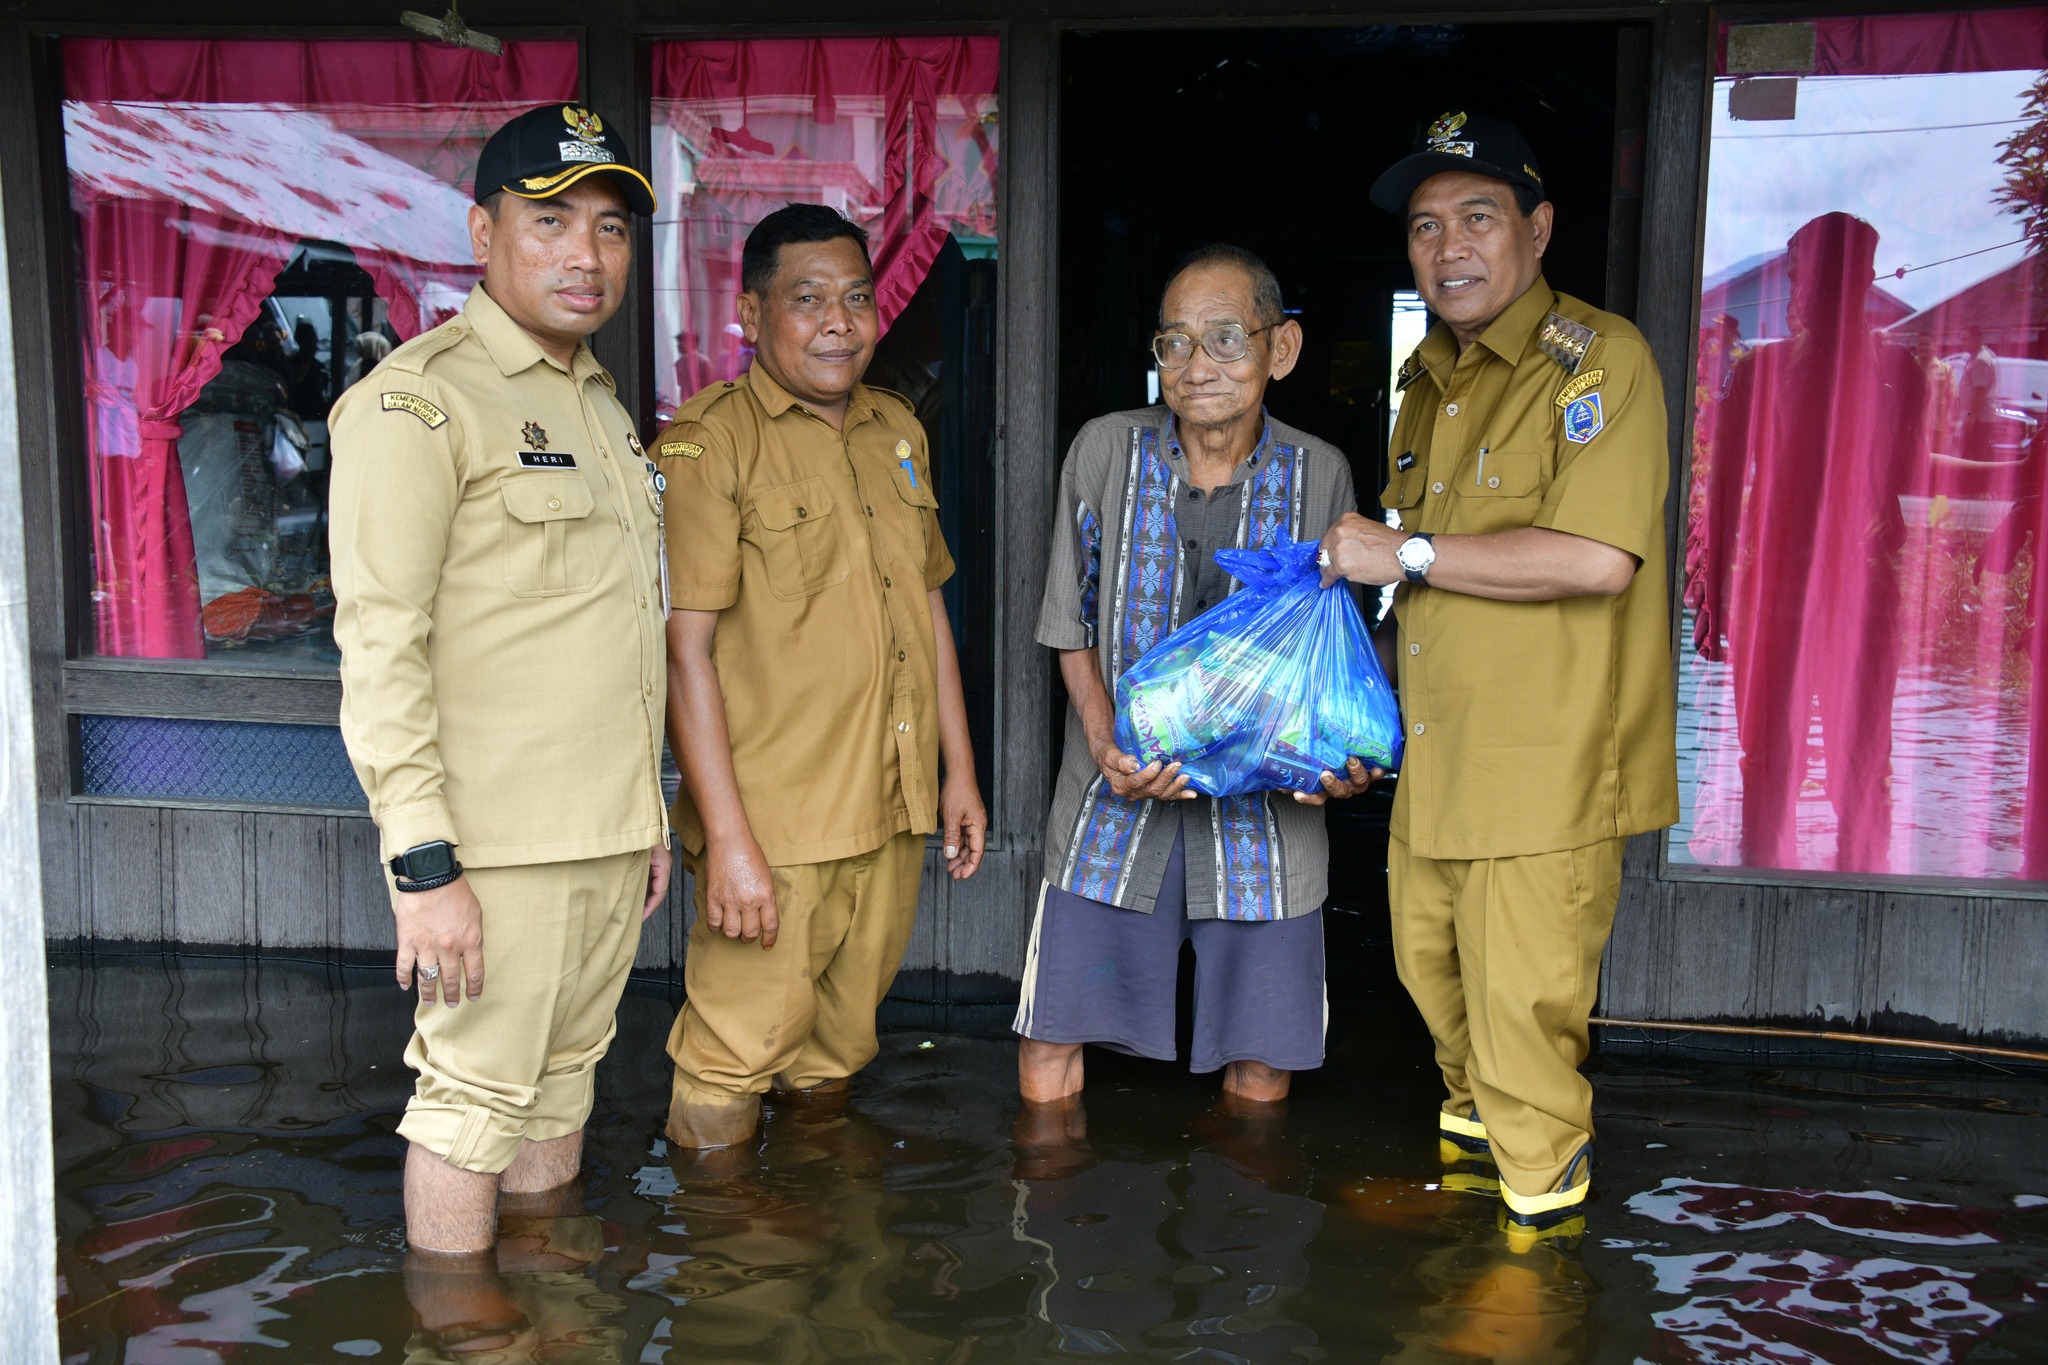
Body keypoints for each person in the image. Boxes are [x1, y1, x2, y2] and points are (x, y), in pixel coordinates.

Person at [1320, 112, 1677, 1240]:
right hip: (1438, 769)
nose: (1447, 247)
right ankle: (1480, 1206)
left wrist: (1403, 549)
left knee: (1524, 1047)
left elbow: (1593, 558)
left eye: (1476, 217)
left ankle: (1535, 1279)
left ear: (1537, 228)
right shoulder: (1428, 380)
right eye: (1425, 227)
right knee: (1447, 1016)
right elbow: (1424, 593)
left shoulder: (1599, 359)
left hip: (1544, 778)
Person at [327, 103, 672, 1261]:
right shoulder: (418, 402)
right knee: (471, 1101)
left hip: (605, 835)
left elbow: (615, 633)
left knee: (562, 1085)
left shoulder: (601, 408)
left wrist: (648, 815)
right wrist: (423, 869)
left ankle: (539, 1307)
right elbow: (380, 647)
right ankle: (458, 1334)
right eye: (550, 220)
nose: (586, 253)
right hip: (494, 851)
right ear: (482, 234)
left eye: (612, 227)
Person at [654, 203, 987, 1151]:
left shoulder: (895, 428)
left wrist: (955, 774)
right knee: (730, 1055)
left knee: (836, 1052)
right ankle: (723, 1267)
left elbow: (927, 609)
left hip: (887, 807)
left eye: (855, 297)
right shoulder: (710, 443)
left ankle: (805, 1240)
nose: (839, 321)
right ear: (752, 316)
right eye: (807, 300)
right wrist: (729, 843)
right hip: (775, 824)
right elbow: (684, 653)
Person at [1015, 244, 1372, 1111]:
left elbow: (1337, 658)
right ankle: (1056, 1234)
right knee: (1051, 1040)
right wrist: (1103, 742)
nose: (1195, 366)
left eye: (1222, 339)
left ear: (1279, 350)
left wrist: (1343, 762)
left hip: (1266, 826)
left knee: (1261, 1061)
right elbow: (1070, 622)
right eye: (1174, 343)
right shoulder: (1104, 449)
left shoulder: (1320, 471)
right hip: (1111, 801)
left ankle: (1241, 1242)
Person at [1690, 213, 1921, 873]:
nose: (1797, 291)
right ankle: (1763, 885)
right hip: (1782, 594)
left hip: (1862, 594)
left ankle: (1862, 897)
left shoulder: (1895, 370)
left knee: (1861, 765)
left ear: (1858, 282)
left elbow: (1906, 474)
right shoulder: (1761, 373)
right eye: (1795, 276)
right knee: (1771, 763)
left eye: (1809, 277)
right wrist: (1715, 593)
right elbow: (1724, 485)